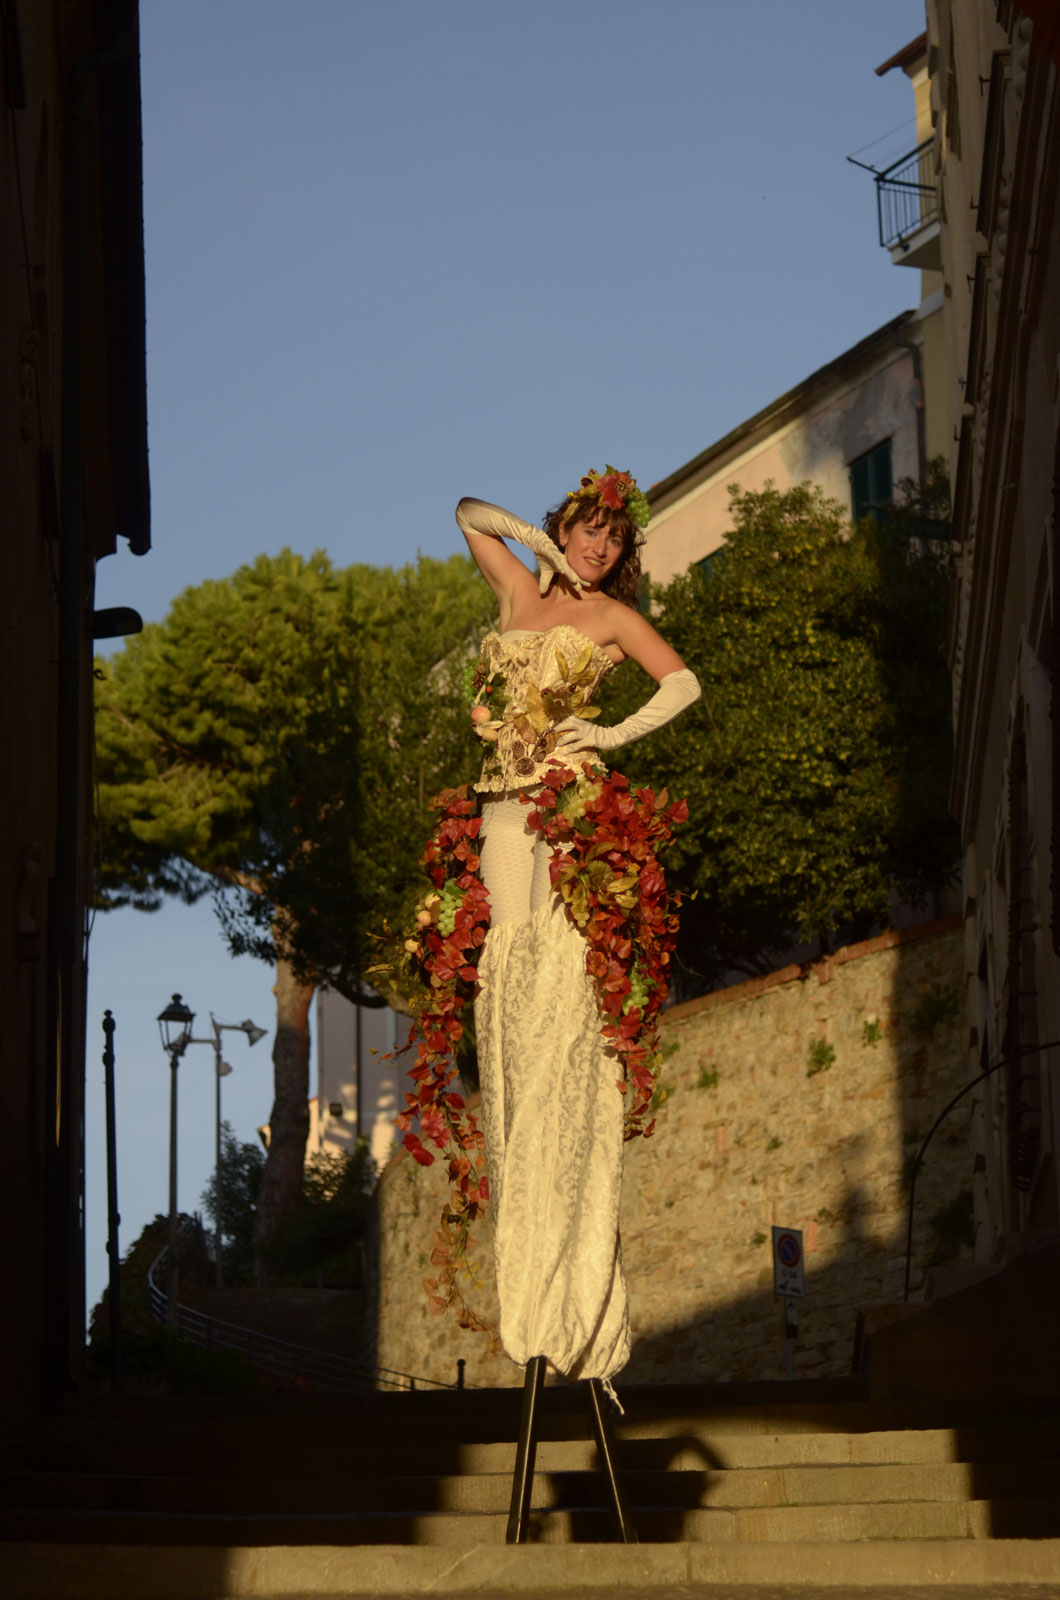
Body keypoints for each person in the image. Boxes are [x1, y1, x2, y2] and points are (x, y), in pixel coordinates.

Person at [454, 469, 700, 1387]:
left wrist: (607, 736)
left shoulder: (611, 620)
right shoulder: (519, 590)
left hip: (567, 801)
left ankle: (565, 1162)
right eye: (588, 530)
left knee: (557, 974)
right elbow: (468, 514)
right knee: (505, 968)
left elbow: (683, 684)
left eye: (613, 537)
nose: (600, 546)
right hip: (502, 806)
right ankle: (523, 1146)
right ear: (565, 528)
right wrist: (538, 543)